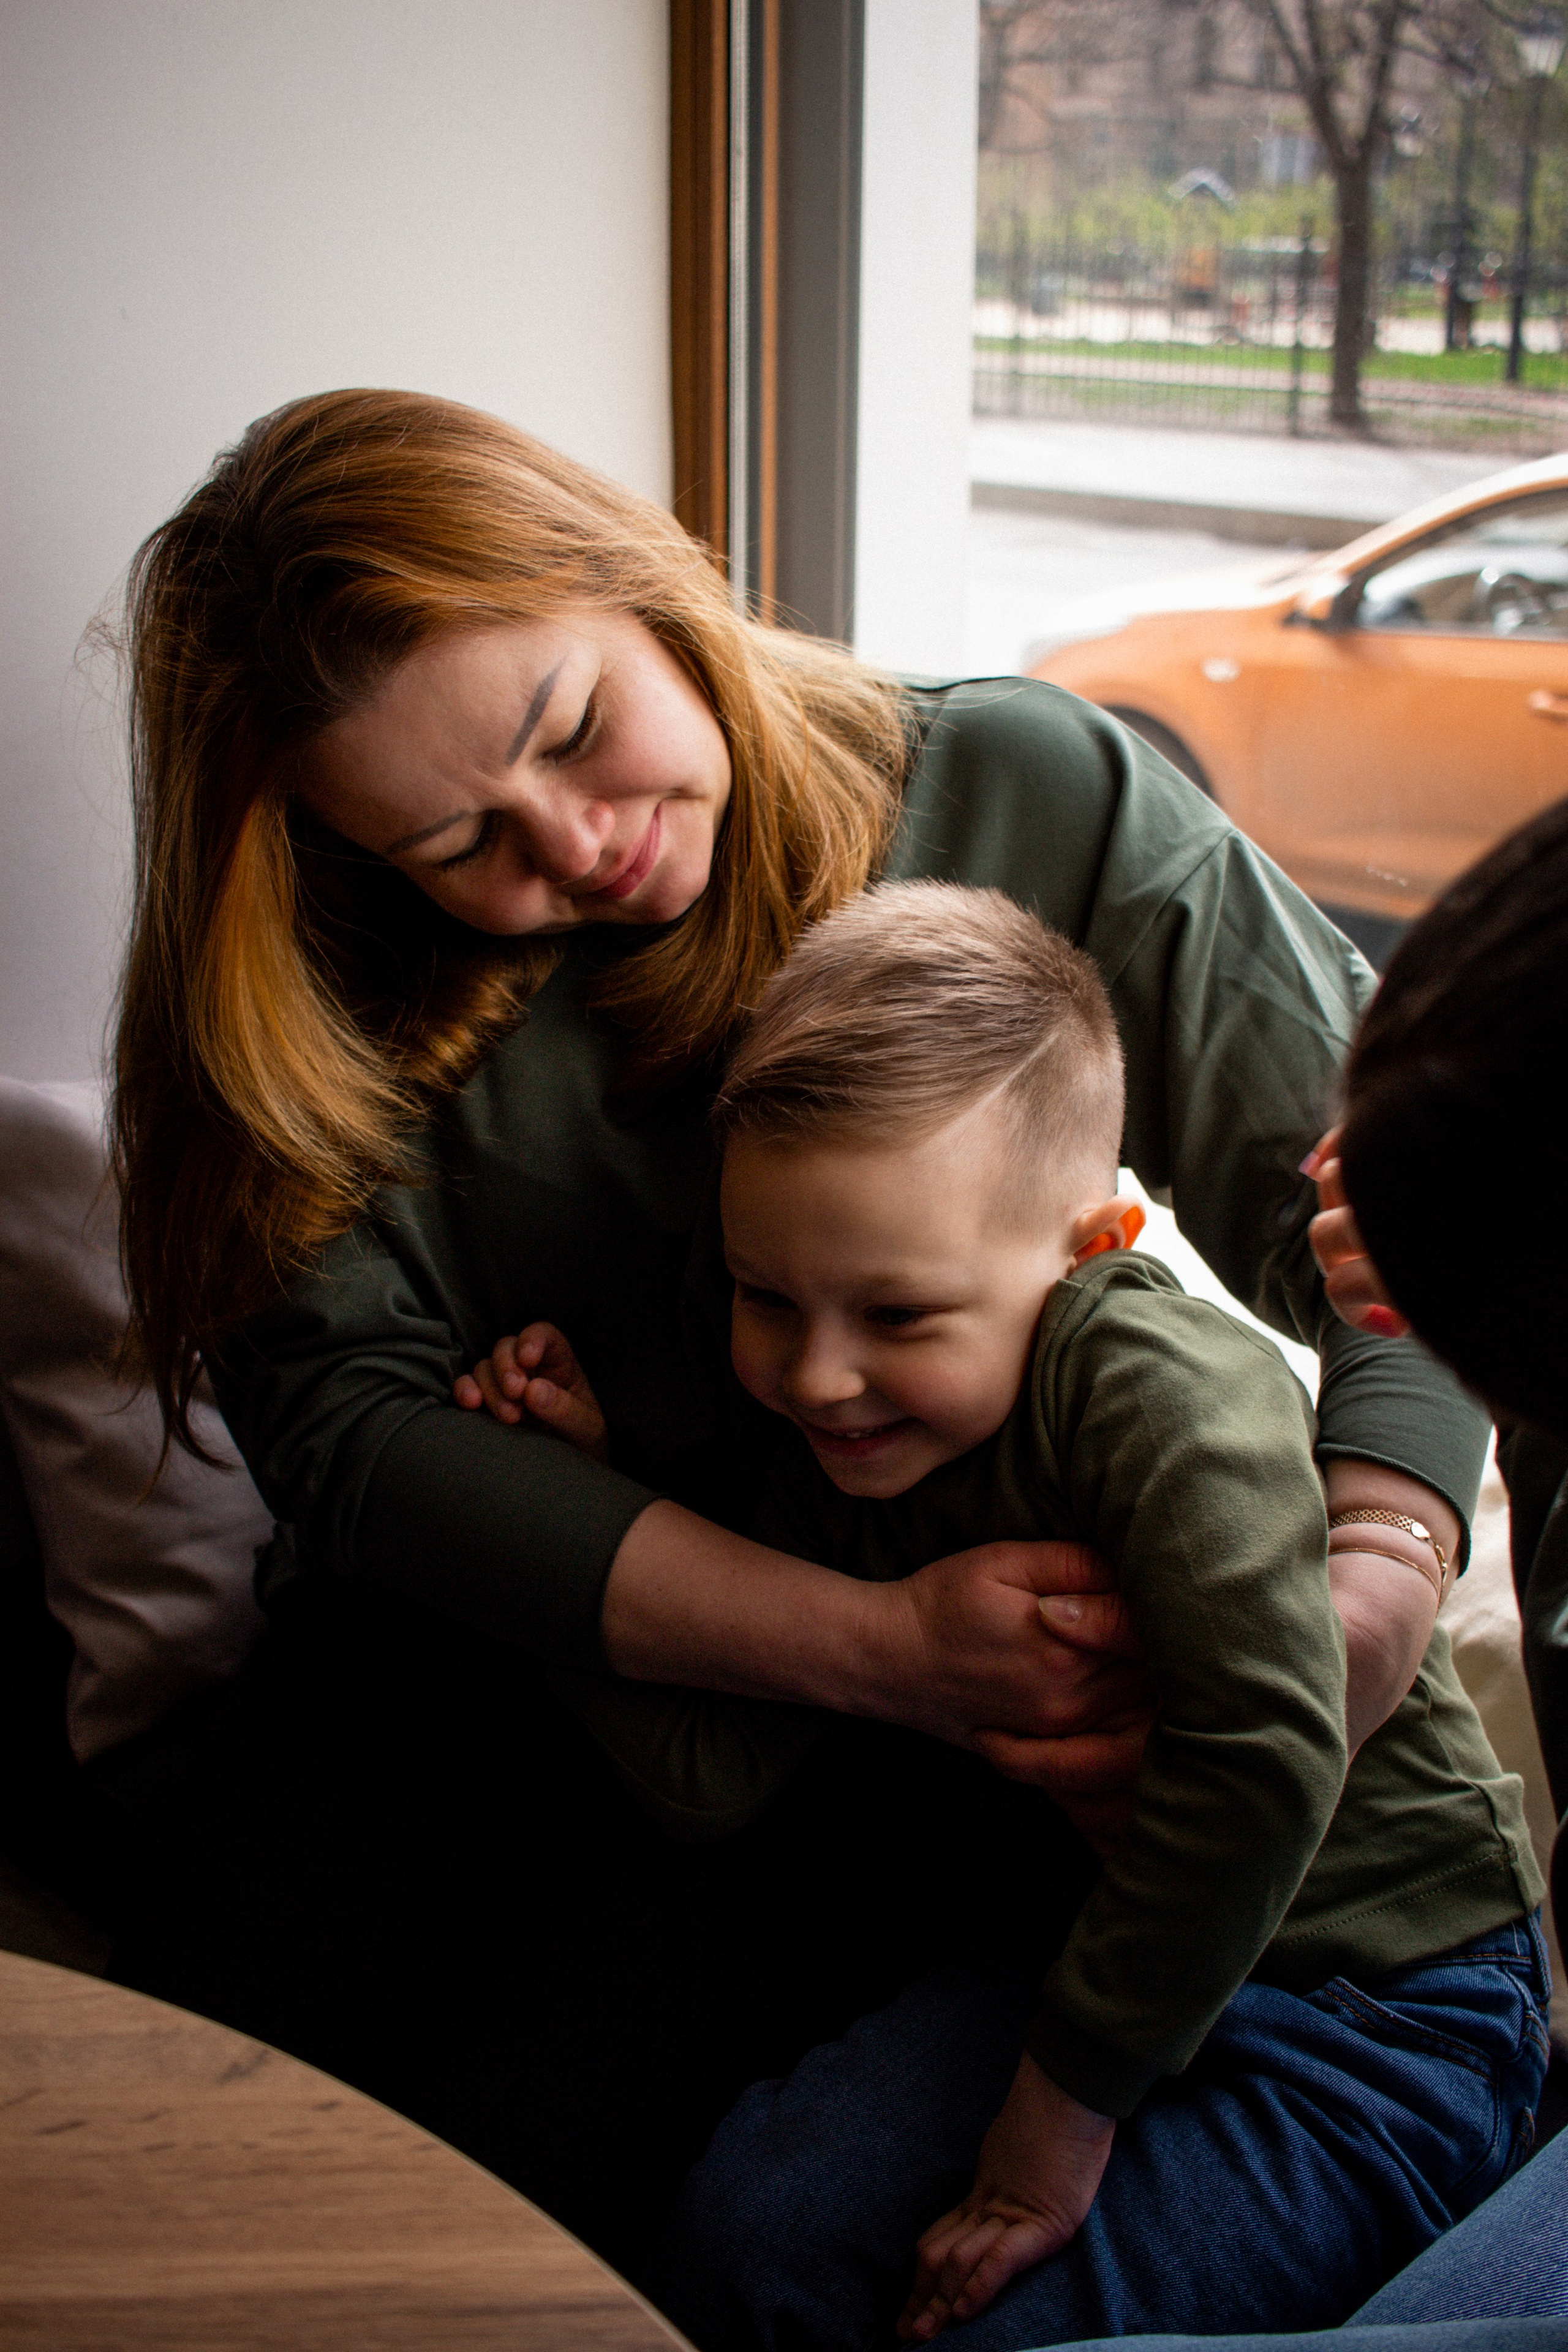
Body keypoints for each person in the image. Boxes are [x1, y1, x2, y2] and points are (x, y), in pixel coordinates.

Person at [104, 386, 1487, 2278]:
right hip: (507, 1636)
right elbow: (346, 1435)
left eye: (579, 731)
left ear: (649, 588)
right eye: (457, 846)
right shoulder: (331, 980)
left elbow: (1395, 1197)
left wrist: (1386, 1559)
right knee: (200, 2131)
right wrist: (876, 1646)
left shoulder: (1029, 793)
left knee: (567, 2182)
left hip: (896, 1776)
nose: (579, 849)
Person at [497, 881, 1536, 2349]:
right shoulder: (834, 1454)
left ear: (1091, 1247)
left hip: (1373, 2004)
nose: (816, 1377)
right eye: (764, 1298)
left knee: (1007, 2329)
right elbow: (715, 1765)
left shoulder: (1156, 1396)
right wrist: (580, 1510)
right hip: (1082, 1970)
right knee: (748, 2240)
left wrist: (1058, 2111)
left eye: (897, 1315)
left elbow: (1260, 1752)